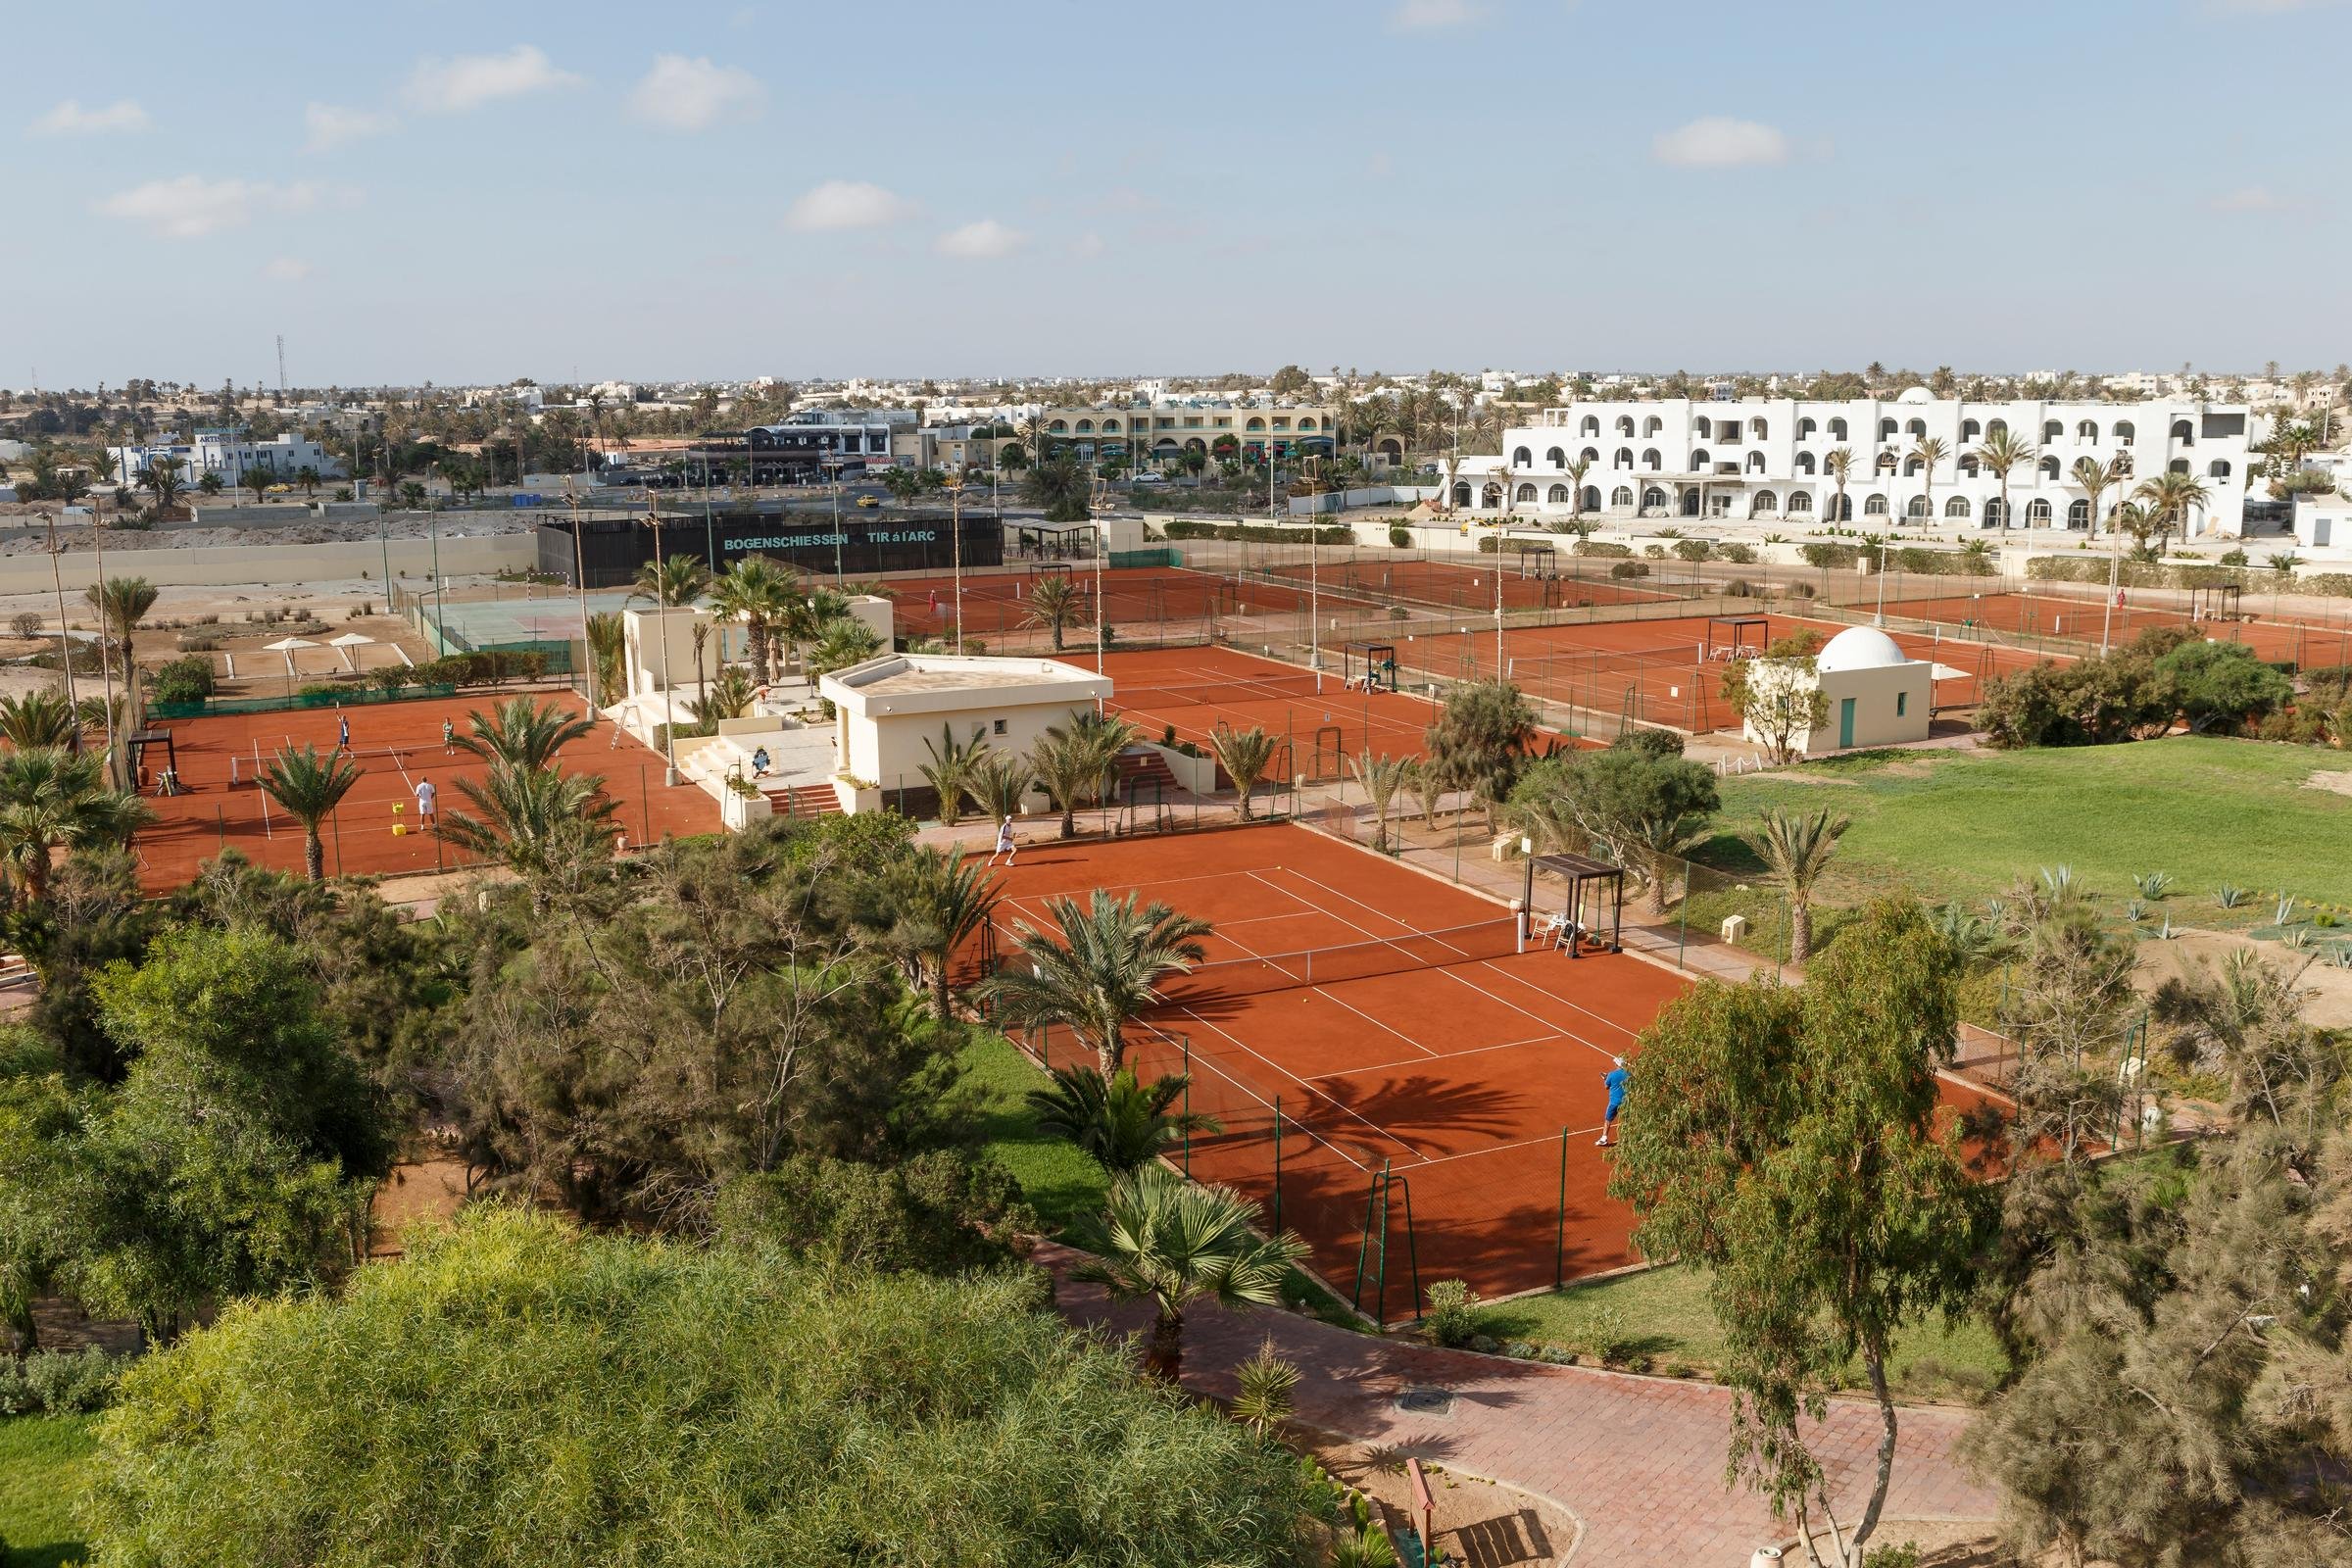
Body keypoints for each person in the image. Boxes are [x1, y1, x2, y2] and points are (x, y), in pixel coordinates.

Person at [1597, 1055, 1629, 1148]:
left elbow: (1606, 1087)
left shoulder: (1611, 1074)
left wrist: (1606, 1079)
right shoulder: (1629, 1074)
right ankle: (1626, 1139)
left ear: (1617, 1064)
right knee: (1626, 1121)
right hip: (1626, 1102)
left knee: (1608, 1120)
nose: (1614, 1064)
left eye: (1615, 1063)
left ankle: (1604, 1138)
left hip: (1614, 1102)